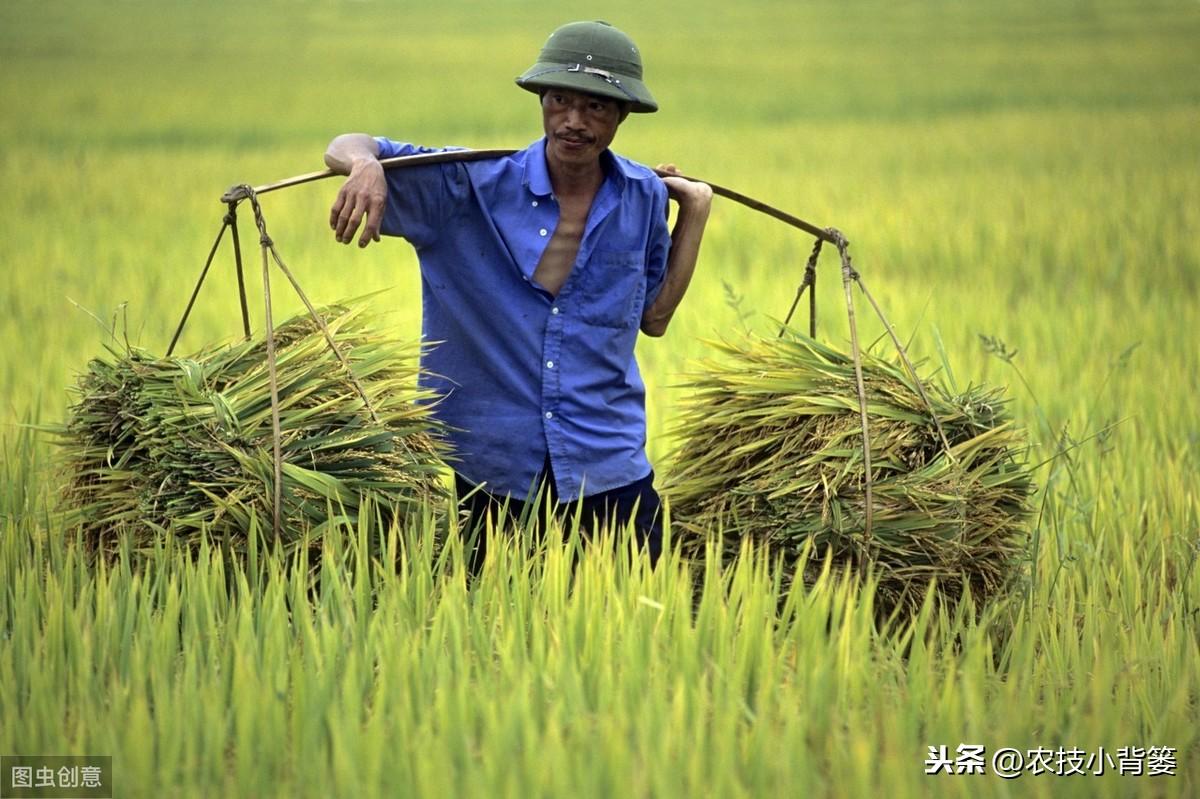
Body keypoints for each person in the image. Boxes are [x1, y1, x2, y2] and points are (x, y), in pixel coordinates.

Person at [324, 20, 712, 571]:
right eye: (560, 101)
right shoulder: (467, 185)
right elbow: (350, 143)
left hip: (607, 460)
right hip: (495, 469)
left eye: (597, 108)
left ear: (622, 116)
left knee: (639, 619)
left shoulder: (642, 196)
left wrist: (694, 212)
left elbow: (654, 318)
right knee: (498, 628)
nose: (574, 122)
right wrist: (367, 168)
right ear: (542, 101)